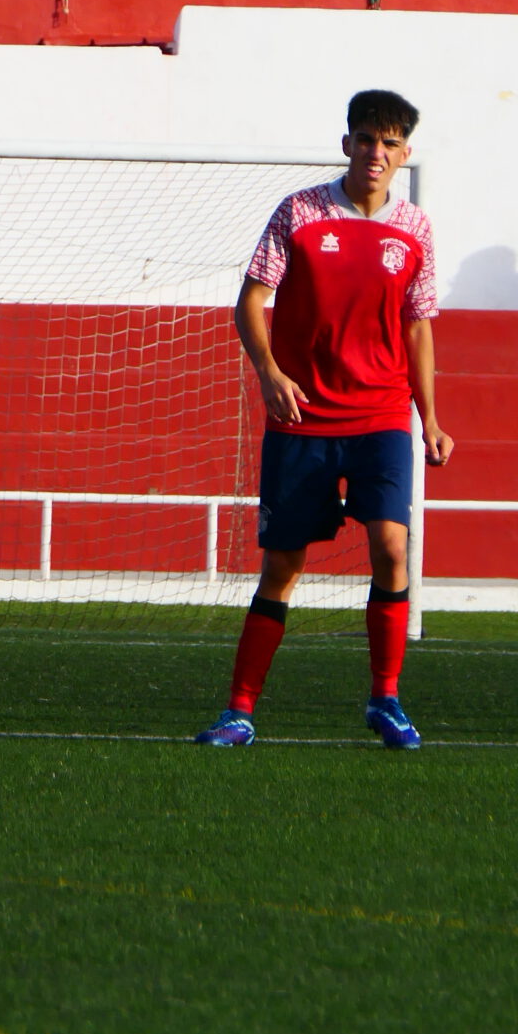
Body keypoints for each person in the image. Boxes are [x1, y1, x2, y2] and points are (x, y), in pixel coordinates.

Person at [196, 88, 454, 751]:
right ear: (347, 144)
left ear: (404, 153)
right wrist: (268, 373)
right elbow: (250, 302)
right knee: (283, 564)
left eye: (389, 143)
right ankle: (239, 711)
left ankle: (385, 699)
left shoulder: (416, 229)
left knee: (391, 547)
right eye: (365, 139)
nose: (376, 153)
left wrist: (428, 417)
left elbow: (418, 326)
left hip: (380, 416)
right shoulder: (299, 212)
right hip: (302, 418)